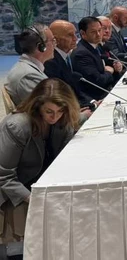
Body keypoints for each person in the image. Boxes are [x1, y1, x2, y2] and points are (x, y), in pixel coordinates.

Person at [0, 78, 80, 258]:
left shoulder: (62, 120)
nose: (54, 117)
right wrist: (35, 198)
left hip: (38, 184)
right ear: (37, 106)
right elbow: (4, 176)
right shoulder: (17, 126)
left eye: (60, 111)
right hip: (12, 192)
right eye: (49, 111)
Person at [44, 20, 98, 113]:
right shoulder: (51, 62)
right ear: (55, 40)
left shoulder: (66, 55)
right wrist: (91, 106)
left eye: (75, 34)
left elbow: (74, 88)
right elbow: (61, 95)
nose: (75, 38)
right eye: (70, 35)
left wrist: (92, 102)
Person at [71, 17, 124, 101]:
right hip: (97, 98)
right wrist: (109, 72)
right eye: (93, 32)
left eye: (99, 30)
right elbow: (98, 81)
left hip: (106, 91)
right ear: (83, 33)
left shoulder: (95, 46)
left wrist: (116, 66)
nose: (98, 34)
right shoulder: (81, 53)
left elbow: (108, 65)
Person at [4, 25, 56, 107]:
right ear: (41, 47)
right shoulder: (29, 76)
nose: (55, 45)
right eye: (52, 41)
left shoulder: (26, 68)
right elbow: (47, 109)